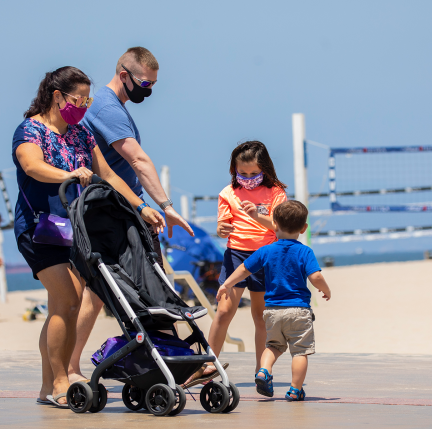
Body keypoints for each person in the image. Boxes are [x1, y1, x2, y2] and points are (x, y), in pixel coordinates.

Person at [13, 66, 165, 407]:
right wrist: (69, 174)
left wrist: (142, 207)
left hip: (77, 228)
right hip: (41, 228)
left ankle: (46, 386)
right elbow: (31, 166)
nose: (82, 105)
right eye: (77, 99)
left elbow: (108, 174)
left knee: (64, 305)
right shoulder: (31, 130)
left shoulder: (81, 133)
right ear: (57, 96)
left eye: (87, 99)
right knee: (66, 299)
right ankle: (61, 381)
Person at [69, 46, 194, 382]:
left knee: (101, 294)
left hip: (120, 211)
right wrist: (166, 208)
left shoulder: (115, 107)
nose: (148, 90)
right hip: (118, 214)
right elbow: (137, 160)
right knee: (144, 286)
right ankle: (174, 360)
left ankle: (174, 358)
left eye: (153, 85)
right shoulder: (108, 109)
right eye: (144, 83)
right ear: (123, 74)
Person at [184, 141, 288, 387]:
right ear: (234, 170)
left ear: (265, 169)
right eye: (243, 173)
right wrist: (221, 229)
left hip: (265, 257)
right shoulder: (227, 193)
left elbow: (281, 228)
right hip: (235, 256)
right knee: (223, 312)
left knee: (260, 316)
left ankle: (261, 371)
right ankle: (209, 364)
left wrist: (257, 216)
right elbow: (222, 226)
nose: (248, 178)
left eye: (254, 173)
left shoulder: (276, 192)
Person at [216, 200, 332, 401]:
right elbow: (316, 277)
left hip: (271, 311)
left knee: (273, 346)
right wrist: (325, 290)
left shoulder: (266, 250)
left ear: (274, 225)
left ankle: (263, 371)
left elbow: (244, 269)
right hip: (298, 310)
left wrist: (227, 283)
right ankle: (295, 389)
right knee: (300, 352)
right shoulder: (305, 252)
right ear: (304, 228)